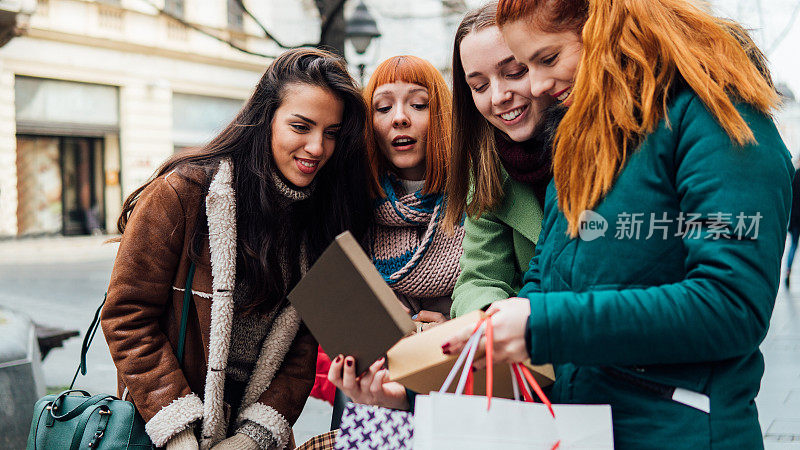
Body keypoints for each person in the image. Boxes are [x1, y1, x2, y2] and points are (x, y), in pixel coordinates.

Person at [443, 0, 793, 448]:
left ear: (608, 25)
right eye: (526, 65)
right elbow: (543, 284)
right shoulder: (579, 138)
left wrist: (539, 326)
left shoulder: (719, 116)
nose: (538, 84)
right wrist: (449, 362)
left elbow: (731, 307)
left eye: (547, 59)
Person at [101, 48, 372, 450]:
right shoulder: (184, 193)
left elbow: (301, 352)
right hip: (162, 433)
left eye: (330, 133)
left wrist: (252, 438)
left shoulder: (321, 217)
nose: (317, 147)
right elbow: (127, 317)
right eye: (301, 126)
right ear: (266, 119)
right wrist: (177, 431)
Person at [326, 55, 462, 411]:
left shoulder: (477, 197)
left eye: (418, 104)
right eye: (383, 107)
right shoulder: (351, 207)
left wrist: (452, 329)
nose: (400, 117)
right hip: (372, 402)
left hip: (458, 395)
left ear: (443, 116)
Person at [443, 1, 555, 318]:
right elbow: (478, 279)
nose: (498, 96)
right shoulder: (487, 168)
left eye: (514, 72)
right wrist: (492, 314)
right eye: (479, 86)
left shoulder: (598, 145)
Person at [784, 167, 800, 287]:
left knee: (793, 245)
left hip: (795, 218)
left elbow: (789, 198)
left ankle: (788, 270)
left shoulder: (795, 175)